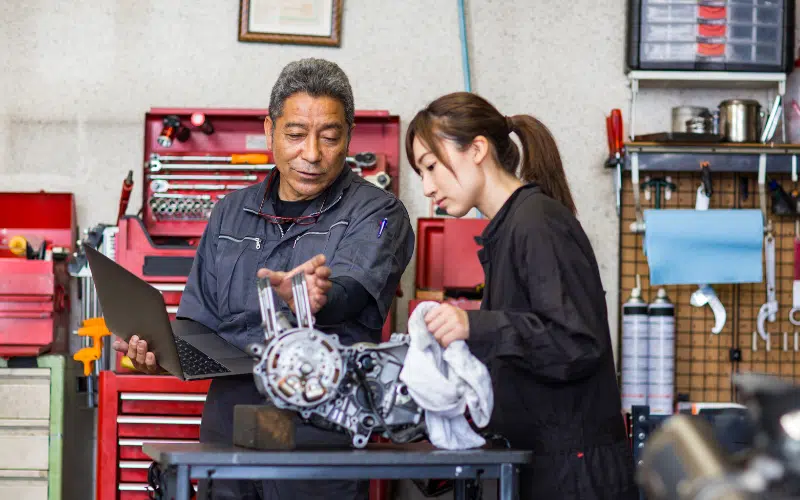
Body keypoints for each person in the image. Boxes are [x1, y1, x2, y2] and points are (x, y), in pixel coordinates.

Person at [112, 58, 415, 500]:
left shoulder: (378, 214)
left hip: (318, 436)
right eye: (295, 135)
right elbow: (199, 326)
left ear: (348, 137)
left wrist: (315, 297)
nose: (311, 153)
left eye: (329, 138)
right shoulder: (230, 212)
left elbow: (351, 291)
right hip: (228, 430)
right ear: (270, 131)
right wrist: (160, 354)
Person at [405, 92, 638, 499]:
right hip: (550, 462)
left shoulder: (537, 223)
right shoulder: (510, 228)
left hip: (576, 473)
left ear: (477, 149)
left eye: (430, 167)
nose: (427, 187)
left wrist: (473, 325)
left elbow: (576, 342)